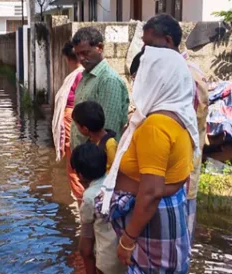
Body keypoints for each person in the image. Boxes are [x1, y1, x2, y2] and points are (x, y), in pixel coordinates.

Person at [99, 46, 199, 274]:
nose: (136, 85)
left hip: (150, 227)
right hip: (164, 222)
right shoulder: (180, 116)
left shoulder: (154, 127)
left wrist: (127, 240)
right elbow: (178, 177)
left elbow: (151, 192)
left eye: (140, 77)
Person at [141, 14, 209, 243]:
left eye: (150, 45)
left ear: (168, 41)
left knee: (175, 241)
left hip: (175, 178)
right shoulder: (175, 72)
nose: (146, 52)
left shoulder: (185, 77)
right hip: (162, 176)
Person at [70, 142, 127, 274]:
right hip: (128, 255)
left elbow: (86, 247)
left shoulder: (90, 196)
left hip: (107, 260)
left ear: (80, 175)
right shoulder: (116, 182)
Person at [71, 27, 129, 151]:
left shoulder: (108, 80)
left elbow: (108, 131)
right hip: (83, 158)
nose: (81, 59)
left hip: (98, 162)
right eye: (77, 54)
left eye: (85, 53)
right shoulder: (85, 77)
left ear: (99, 48)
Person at [52, 42, 85, 203]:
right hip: (74, 121)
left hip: (72, 121)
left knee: (73, 164)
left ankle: (81, 201)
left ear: (67, 59)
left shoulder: (79, 75)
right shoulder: (81, 74)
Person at [72, 101, 118, 172]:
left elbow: (114, 171)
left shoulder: (110, 145)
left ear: (85, 129)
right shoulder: (91, 141)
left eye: (77, 125)